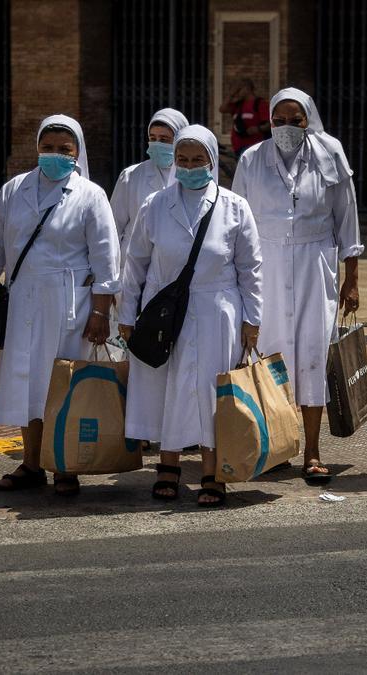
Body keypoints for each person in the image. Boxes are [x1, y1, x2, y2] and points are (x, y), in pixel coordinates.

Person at [0, 114, 119, 497]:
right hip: (23, 299)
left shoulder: (91, 195)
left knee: (61, 385)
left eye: (64, 150)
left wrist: (101, 312)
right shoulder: (14, 190)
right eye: (48, 148)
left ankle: (64, 465)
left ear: (77, 153)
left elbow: (106, 261)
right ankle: (31, 463)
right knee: (26, 381)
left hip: (70, 305)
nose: (55, 155)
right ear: (37, 148)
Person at [119, 125, 263, 506]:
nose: (189, 166)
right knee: (167, 386)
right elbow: (135, 264)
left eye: (198, 160)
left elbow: (251, 268)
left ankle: (214, 470)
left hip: (217, 311)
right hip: (164, 312)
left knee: (211, 392)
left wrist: (253, 319)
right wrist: (126, 314)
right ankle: (168, 465)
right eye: (182, 160)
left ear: (212, 161)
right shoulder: (155, 204)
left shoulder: (235, 207)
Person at [232, 87, 362, 483]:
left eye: (295, 120)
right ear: (268, 122)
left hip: (315, 264)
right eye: (279, 120)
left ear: (309, 119)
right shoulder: (251, 160)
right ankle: (275, 446)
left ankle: (312, 450)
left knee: (310, 353)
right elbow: (236, 221)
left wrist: (352, 280)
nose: (286, 127)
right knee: (270, 354)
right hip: (265, 267)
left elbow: (347, 219)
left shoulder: (330, 154)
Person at [110, 108, 189, 247]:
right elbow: (113, 226)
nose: (157, 144)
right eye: (153, 139)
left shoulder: (191, 177)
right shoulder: (131, 176)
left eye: (164, 140)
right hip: (132, 260)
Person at [218, 78, 270, 157]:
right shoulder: (238, 105)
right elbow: (222, 109)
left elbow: (269, 124)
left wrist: (257, 129)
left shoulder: (260, 103)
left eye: (239, 89)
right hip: (238, 147)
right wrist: (231, 94)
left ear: (247, 88)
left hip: (254, 147)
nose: (237, 93)